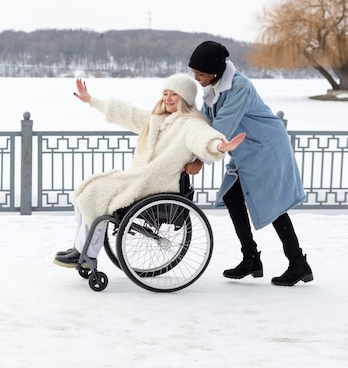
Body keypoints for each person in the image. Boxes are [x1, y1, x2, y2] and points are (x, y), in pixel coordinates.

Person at [53, 73, 245, 269]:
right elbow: (128, 113)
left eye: (174, 94)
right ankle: (80, 248)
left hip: (156, 182)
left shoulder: (191, 123)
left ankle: (86, 254)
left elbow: (202, 136)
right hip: (142, 177)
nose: (168, 98)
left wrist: (219, 146)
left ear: (185, 99)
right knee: (89, 190)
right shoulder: (159, 119)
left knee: (96, 193)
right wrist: (91, 101)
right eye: (165, 93)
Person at [187, 40, 313, 286]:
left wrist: (200, 159)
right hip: (245, 150)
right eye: (193, 73)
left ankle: (298, 264)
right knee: (232, 197)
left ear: (214, 71)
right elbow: (203, 122)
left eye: (199, 73)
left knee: (274, 206)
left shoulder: (239, 87)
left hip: (267, 149)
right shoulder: (213, 89)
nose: (195, 78)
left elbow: (221, 128)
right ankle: (251, 258)